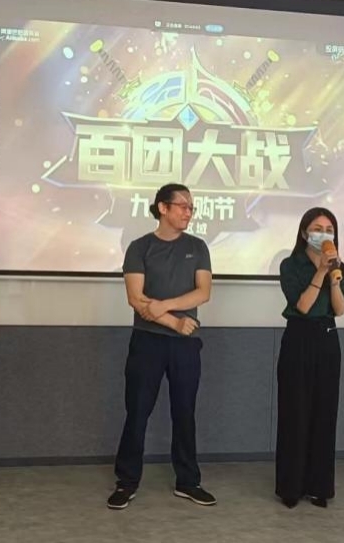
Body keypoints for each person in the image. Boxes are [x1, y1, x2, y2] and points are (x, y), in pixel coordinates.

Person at [107, 183, 215, 510]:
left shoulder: (197, 246)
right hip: (148, 341)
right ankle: (127, 481)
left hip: (186, 346)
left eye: (191, 207)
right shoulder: (140, 247)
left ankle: (188, 481)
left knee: (184, 412)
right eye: (182, 206)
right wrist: (174, 322)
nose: (188, 212)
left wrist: (164, 306)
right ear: (163, 208)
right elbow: (135, 298)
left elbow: (203, 292)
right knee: (138, 411)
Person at [274, 207, 344, 509]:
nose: (324, 234)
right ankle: (291, 487)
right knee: (295, 412)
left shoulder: (338, 267)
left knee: (324, 413)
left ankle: (319, 487)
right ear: (305, 233)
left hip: (328, 339)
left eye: (329, 229)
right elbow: (303, 306)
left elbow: (340, 309)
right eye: (318, 228)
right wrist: (319, 271)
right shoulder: (290, 265)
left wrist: (334, 276)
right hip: (299, 338)